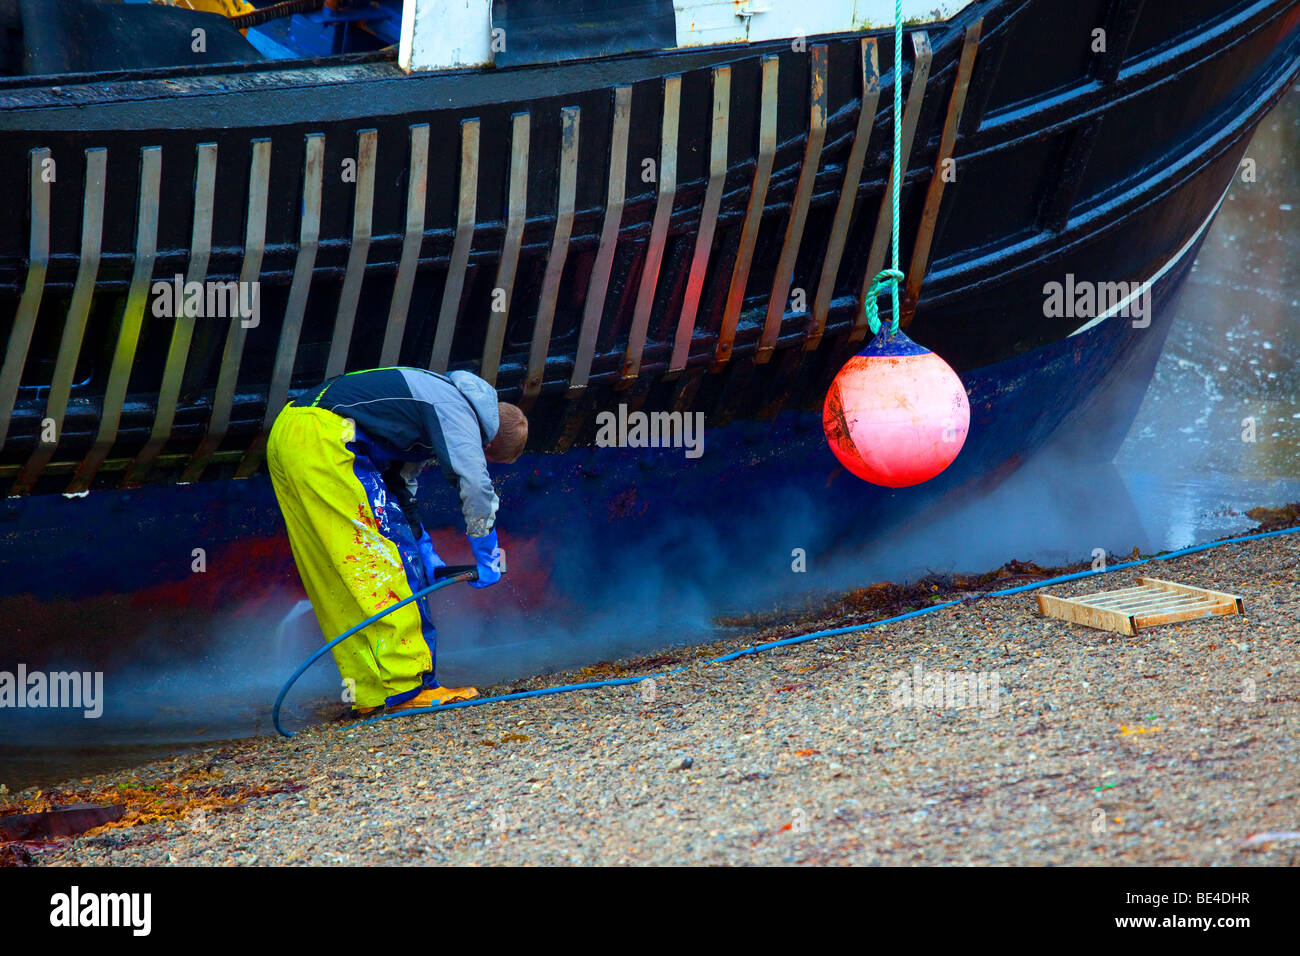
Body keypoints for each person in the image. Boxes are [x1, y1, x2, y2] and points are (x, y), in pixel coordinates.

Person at [266, 366, 528, 715]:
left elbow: (401, 487)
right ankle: (410, 687)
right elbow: (476, 487)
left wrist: (425, 549)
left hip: (290, 434)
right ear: (489, 442)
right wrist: (486, 554)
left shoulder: (429, 402)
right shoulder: (458, 411)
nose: (482, 459)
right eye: (489, 457)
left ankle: (372, 692)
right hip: (330, 439)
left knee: (343, 574)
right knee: (389, 564)